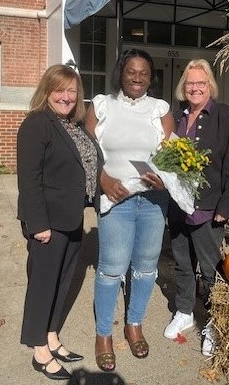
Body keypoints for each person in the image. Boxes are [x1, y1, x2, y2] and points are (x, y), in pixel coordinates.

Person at [85, 48, 174, 371]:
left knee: (146, 267)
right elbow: (86, 151)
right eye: (131, 72)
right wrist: (102, 178)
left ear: (151, 78)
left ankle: (134, 323)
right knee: (111, 269)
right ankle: (103, 333)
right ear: (120, 73)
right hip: (116, 200)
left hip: (152, 202)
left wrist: (168, 179)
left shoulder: (160, 110)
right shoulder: (101, 106)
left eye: (144, 73)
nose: (137, 78)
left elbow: (171, 156)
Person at [17, 64, 102, 380]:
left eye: (72, 90)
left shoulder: (73, 124)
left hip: (72, 218)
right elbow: (29, 179)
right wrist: (38, 224)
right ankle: (39, 349)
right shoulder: (37, 125)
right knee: (43, 284)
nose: (66, 97)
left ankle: (52, 335)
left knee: (62, 282)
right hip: (47, 223)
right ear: (47, 91)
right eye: (59, 90)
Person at [163, 59, 229, 356]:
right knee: (183, 264)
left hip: (210, 208)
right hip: (179, 206)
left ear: (210, 85)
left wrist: (226, 205)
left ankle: (212, 321)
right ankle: (184, 311)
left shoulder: (224, 115)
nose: (195, 88)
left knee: (210, 269)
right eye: (190, 83)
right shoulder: (177, 118)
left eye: (200, 83)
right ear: (183, 87)